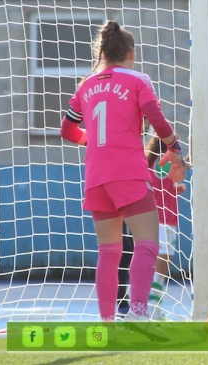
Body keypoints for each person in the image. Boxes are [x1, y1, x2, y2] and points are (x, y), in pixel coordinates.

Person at [61, 20, 185, 322]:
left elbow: (67, 130)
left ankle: (106, 321)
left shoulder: (86, 83)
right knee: (147, 242)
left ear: (102, 51)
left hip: (95, 178)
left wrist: (91, 140)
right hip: (127, 173)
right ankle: (139, 313)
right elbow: (156, 116)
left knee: (108, 251)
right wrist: (174, 146)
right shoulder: (137, 78)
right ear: (131, 53)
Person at [145, 135, 191, 320]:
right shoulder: (161, 162)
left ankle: (156, 310)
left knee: (160, 271)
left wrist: (175, 188)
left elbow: (161, 184)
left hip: (163, 221)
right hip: (162, 222)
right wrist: (195, 148)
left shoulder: (156, 165)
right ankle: (151, 312)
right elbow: (185, 166)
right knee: (159, 271)